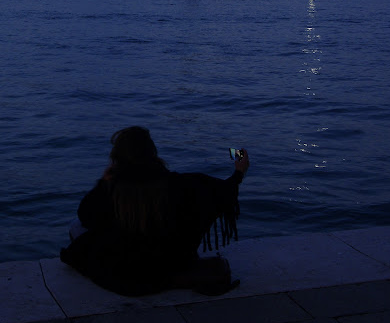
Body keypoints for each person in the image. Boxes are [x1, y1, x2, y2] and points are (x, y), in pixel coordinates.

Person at [60, 126, 250, 296]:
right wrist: (239, 171)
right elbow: (224, 191)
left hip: (122, 267)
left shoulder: (111, 189)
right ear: (153, 154)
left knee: (76, 226)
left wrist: (103, 181)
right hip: (169, 263)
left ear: (117, 159)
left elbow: (85, 215)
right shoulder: (182, 185)